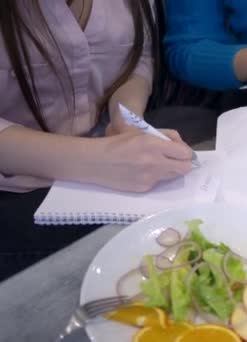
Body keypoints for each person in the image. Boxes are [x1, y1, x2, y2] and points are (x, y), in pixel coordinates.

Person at [0, 0, 210, 280]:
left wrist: (127, 114)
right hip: (17, 190)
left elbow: (138, 59)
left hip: (106, 146)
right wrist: (93, 159)